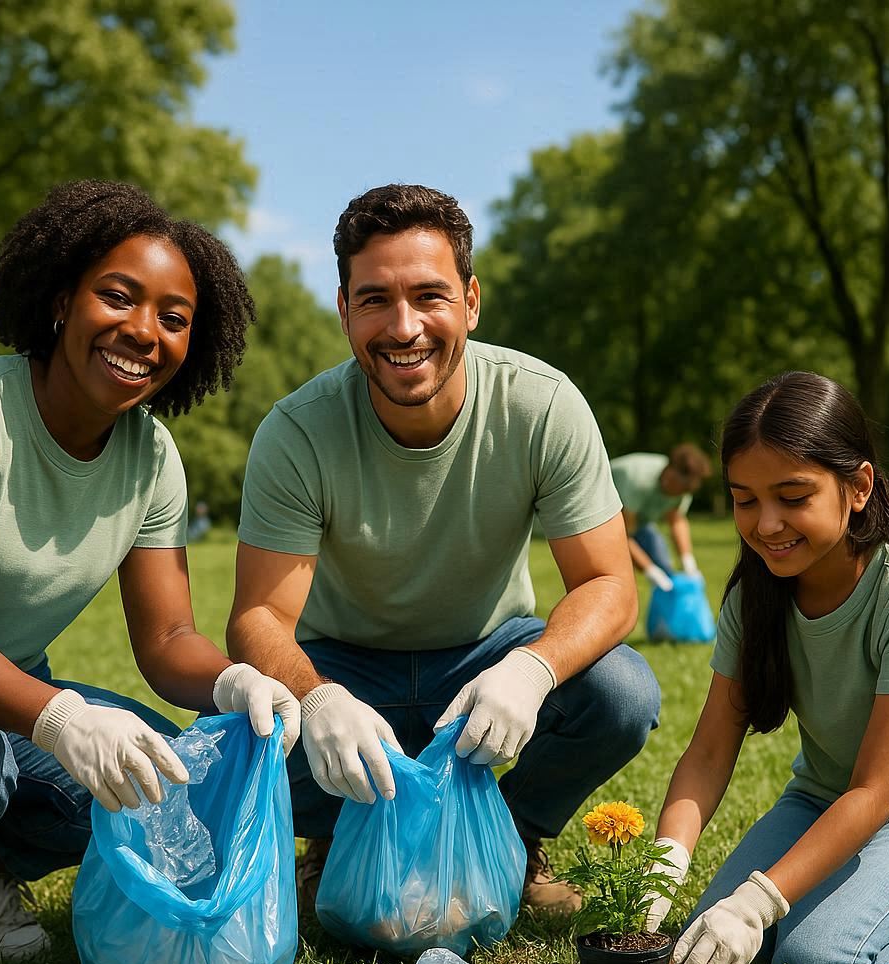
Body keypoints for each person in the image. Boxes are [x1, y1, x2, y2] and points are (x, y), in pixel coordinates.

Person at [0, 180, 300, 964]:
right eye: (117, 297)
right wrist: (58, 719)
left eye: (173, 317)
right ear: (61, 299)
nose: (141, 332)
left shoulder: (151, 458)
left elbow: (164, 641)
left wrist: (237, 681)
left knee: (163, 785)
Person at [227, 183, 660, 916]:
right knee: (246, 728)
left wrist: (530, 668)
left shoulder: (541, 403)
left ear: (471, 301)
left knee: (622, 694)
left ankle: (512, 840)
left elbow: (610, 586)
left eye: (429, 295)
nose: (404, 328)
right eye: (374, 300)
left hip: (487, 653)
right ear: (343, 310)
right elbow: (258, 617)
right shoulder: (297, 431)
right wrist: (319, 697)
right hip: (344, 664)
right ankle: (336, 837)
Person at [645, 371, 889, 964]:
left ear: (858, 487)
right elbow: (711, 751)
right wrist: (663, 868)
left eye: (792, 495)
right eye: (745, 499)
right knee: (702, 941)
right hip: (818, 801)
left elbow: (879, 792)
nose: (767, 524)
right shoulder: (754, 600)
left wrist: (760, 902)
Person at [610, 445, 712, 592]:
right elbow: (625, 537)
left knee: (666, 571)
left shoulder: (683, 489)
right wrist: (649, 570)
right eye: (681, 489)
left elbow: (676, 520)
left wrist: (688, 561)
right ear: (669, 474)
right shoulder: (638, 479)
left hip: (638, 522)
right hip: (606, 521)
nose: (681, 495)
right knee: (618, 578)